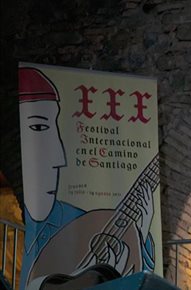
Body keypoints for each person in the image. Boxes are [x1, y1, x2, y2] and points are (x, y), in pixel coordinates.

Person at [18, 67, 155, 289]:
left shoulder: (82, 218)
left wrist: (143, 228)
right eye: (39, 127)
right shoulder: (72, 225)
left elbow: (134, 266)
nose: (60, 158)